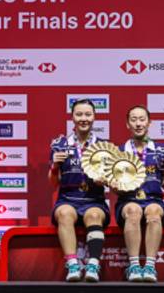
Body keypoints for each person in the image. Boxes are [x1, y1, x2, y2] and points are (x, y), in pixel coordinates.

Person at [48, 98, 110, 282]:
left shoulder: (104, 146)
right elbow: (53, 183)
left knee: (94, 216)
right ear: (72, 117)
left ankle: (93, 264)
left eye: (88, 114)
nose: (84, 118)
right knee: (65, 213)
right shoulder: (59, 144)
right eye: (79, 114)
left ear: (94, 117)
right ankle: (73, 264)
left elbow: (113, 182)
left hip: (94, 200)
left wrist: (104, 180)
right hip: (67, 199)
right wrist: (54, 167)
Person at [113, 105, 164, 282]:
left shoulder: (162, 150)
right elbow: (115, 190)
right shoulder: (119, 151)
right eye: (134, 119)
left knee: (154, 212)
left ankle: (149, 267)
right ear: (127, 124)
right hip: (128, 200)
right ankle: (133, 267)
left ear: (149, 123)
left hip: (154, 199)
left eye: (142, 119)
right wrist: (112, 184)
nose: (138, 123)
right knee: (134, 211)